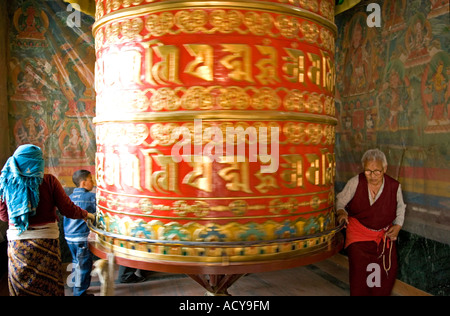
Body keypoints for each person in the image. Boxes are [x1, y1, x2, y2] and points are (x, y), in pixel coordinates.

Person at [0, 144, 95, 296]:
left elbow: (4, 216)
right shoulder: (49, 181)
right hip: (47, 243)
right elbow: (68, 209)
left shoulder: (6, 183)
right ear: (38, 161)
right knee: (48, 284)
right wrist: (87, 215)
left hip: (18, 244)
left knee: (22, 286)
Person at [336, 149, 406, 296]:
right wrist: (341, 212)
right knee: (360, 275)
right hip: (358, 235)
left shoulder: (394, 186)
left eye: (377, 172)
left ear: (385, 169)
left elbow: (401, 206)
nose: (372, 176)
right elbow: (340, 201)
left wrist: (398, 225)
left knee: (384, 277)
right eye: (368, 171)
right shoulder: (356, 182)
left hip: (383, 236)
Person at [64, 170, 96, 296]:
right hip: (82, 237)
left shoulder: (69, 198)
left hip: (69, 237)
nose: (92, 182)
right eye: (91, 179)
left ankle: (74, 286)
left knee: (75, 261)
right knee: (83, 265)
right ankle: (80, 293)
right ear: (83, 182)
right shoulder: (91, 197)